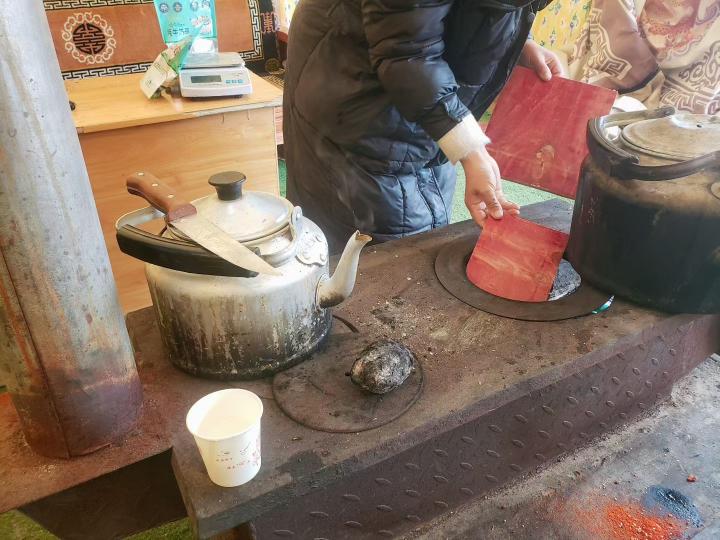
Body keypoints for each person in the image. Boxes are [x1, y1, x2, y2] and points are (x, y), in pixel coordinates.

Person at [283, 0, 564, 252]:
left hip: (421, 77)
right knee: (374, 247)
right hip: (353, 80)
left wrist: (517, 40)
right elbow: (407, 54)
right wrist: (470, 149)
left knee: (424, 213)